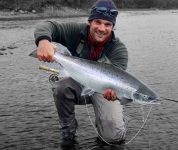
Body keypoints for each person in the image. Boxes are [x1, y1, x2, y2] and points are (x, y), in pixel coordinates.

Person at [34, 0, 128, 148]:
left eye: (108, 24)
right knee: (62, 87)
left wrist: (113, 93)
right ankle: (68, 132)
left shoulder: (119, 50)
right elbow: (46, 25)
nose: (102, 28)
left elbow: (117, 81)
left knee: (113, 139)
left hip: (102, 89)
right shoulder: (76, 31)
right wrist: (43, 41)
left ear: (113, 27)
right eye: (98, 22)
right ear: (90, 22)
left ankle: (116, 121)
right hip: (78, 80)